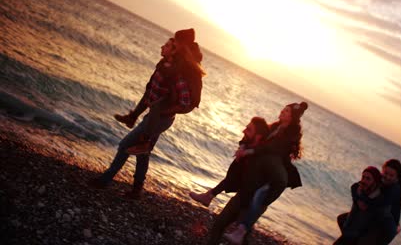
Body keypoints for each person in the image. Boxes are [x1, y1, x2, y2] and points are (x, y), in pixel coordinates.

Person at [88, 28, 205, 199]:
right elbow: (151, 92)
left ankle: (105, 180)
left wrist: (164, 110)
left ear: (175, 49)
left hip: (160, 119)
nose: (161, 46)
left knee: (124, 146)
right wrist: (136, 113)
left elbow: (186, 102)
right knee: (143, 153)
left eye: (167, 45)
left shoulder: (177, 72)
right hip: (154, 117)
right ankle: (137, 190)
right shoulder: (164, 65)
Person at [224, 102, 307, 244]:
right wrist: (243, 145)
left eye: (287, 111)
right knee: (249, 198)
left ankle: (242, 230)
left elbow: (271, 148)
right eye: (284, 109)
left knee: (258, 198)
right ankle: (238, 229)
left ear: (292, 117)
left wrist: (248, 151)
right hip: (261, 173)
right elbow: (258, 136)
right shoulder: (275, 127)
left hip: (274, 178)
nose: (282, 111)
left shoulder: (290, 135)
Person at [189, 117, 270, 207]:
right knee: (236, 168)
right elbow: (243, 141)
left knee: (237, 171)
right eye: (246, 127)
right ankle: (209, 196)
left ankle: (209, 196)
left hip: (254, 195)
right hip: (242, 180)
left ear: (258, 137)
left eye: (249, 130)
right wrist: (242, 148)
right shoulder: (250, 146)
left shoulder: (258, 160)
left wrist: (244, 152)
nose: (244, 131)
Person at [334, 166, 383, 245]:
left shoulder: (377, 197)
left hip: (360, 235)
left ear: (375, 181)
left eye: (368, 178)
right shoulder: (359, 188)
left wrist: (359, 196)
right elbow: (354, 186)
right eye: (363, 177)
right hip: (350, 229)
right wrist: (357, 197)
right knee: (340, 218)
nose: (364, 180)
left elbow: (365, 206)